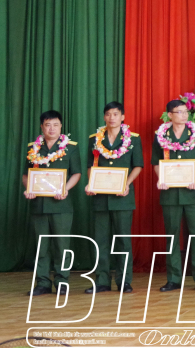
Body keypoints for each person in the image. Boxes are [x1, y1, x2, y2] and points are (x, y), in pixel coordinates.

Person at [85, 101, 144, 294]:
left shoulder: (133, 139)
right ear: (104, 117)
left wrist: (127, 183)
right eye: (108, 114)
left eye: (116, 114)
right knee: (100, 240)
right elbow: (90, 166)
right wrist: (91, 183)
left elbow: (138, 165)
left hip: (122, 197)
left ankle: (124, 281)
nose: (112, 118)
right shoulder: (94, 139)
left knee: (123, 240)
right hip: (100, 197)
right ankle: (101, 280)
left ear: (123, 117)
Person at [22, 110, 81, 296]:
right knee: (41, 246)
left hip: (61, 205)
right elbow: (26, 175)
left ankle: (62, 282)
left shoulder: (70, 148)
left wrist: (65, 189)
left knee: (62, 245)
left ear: (61, 126)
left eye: (55, 125)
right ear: (42, 127)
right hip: (38, 204)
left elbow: (76, 173)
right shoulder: (33, 148)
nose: (52, 128)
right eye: (48, 125)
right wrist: (29, 188)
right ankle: (42, 283)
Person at [152, 100, 195, 292]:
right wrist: (161, 178)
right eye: (179, 112)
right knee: (172, 237)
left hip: (192, 193)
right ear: (170, 115)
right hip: (170, 194)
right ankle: (174, 279)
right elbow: (156, 162)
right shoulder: (161, 135)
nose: (184, 115)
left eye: (186, 112)